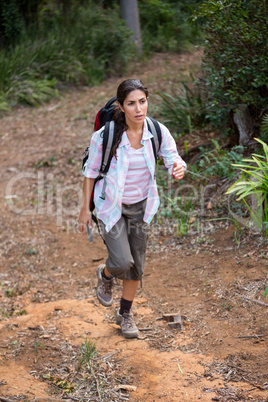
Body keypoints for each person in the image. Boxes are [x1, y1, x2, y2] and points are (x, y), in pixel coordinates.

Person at [78, 79, 186, 339]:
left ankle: (125, 315)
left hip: (142, 207)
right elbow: (90, 173)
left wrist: (178, 167)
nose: (138, 109)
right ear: (121, 106)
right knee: (121, 261)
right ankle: (105, 274)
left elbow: (172, 156)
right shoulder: (106, 135)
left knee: (136, 265)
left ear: (147, 101)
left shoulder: (157, 131)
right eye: (131, 103)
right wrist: (84, 209)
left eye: (142, 101)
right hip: (111, 206)